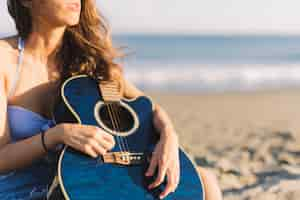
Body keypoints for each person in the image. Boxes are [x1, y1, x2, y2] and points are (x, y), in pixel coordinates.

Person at [0, 0, 222, 199]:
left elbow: (147, 106)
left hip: (84, 184)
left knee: (206, 180)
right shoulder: (4, 59)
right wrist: (57, 135)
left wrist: (169, 138)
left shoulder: (89, 61)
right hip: (20, 192)